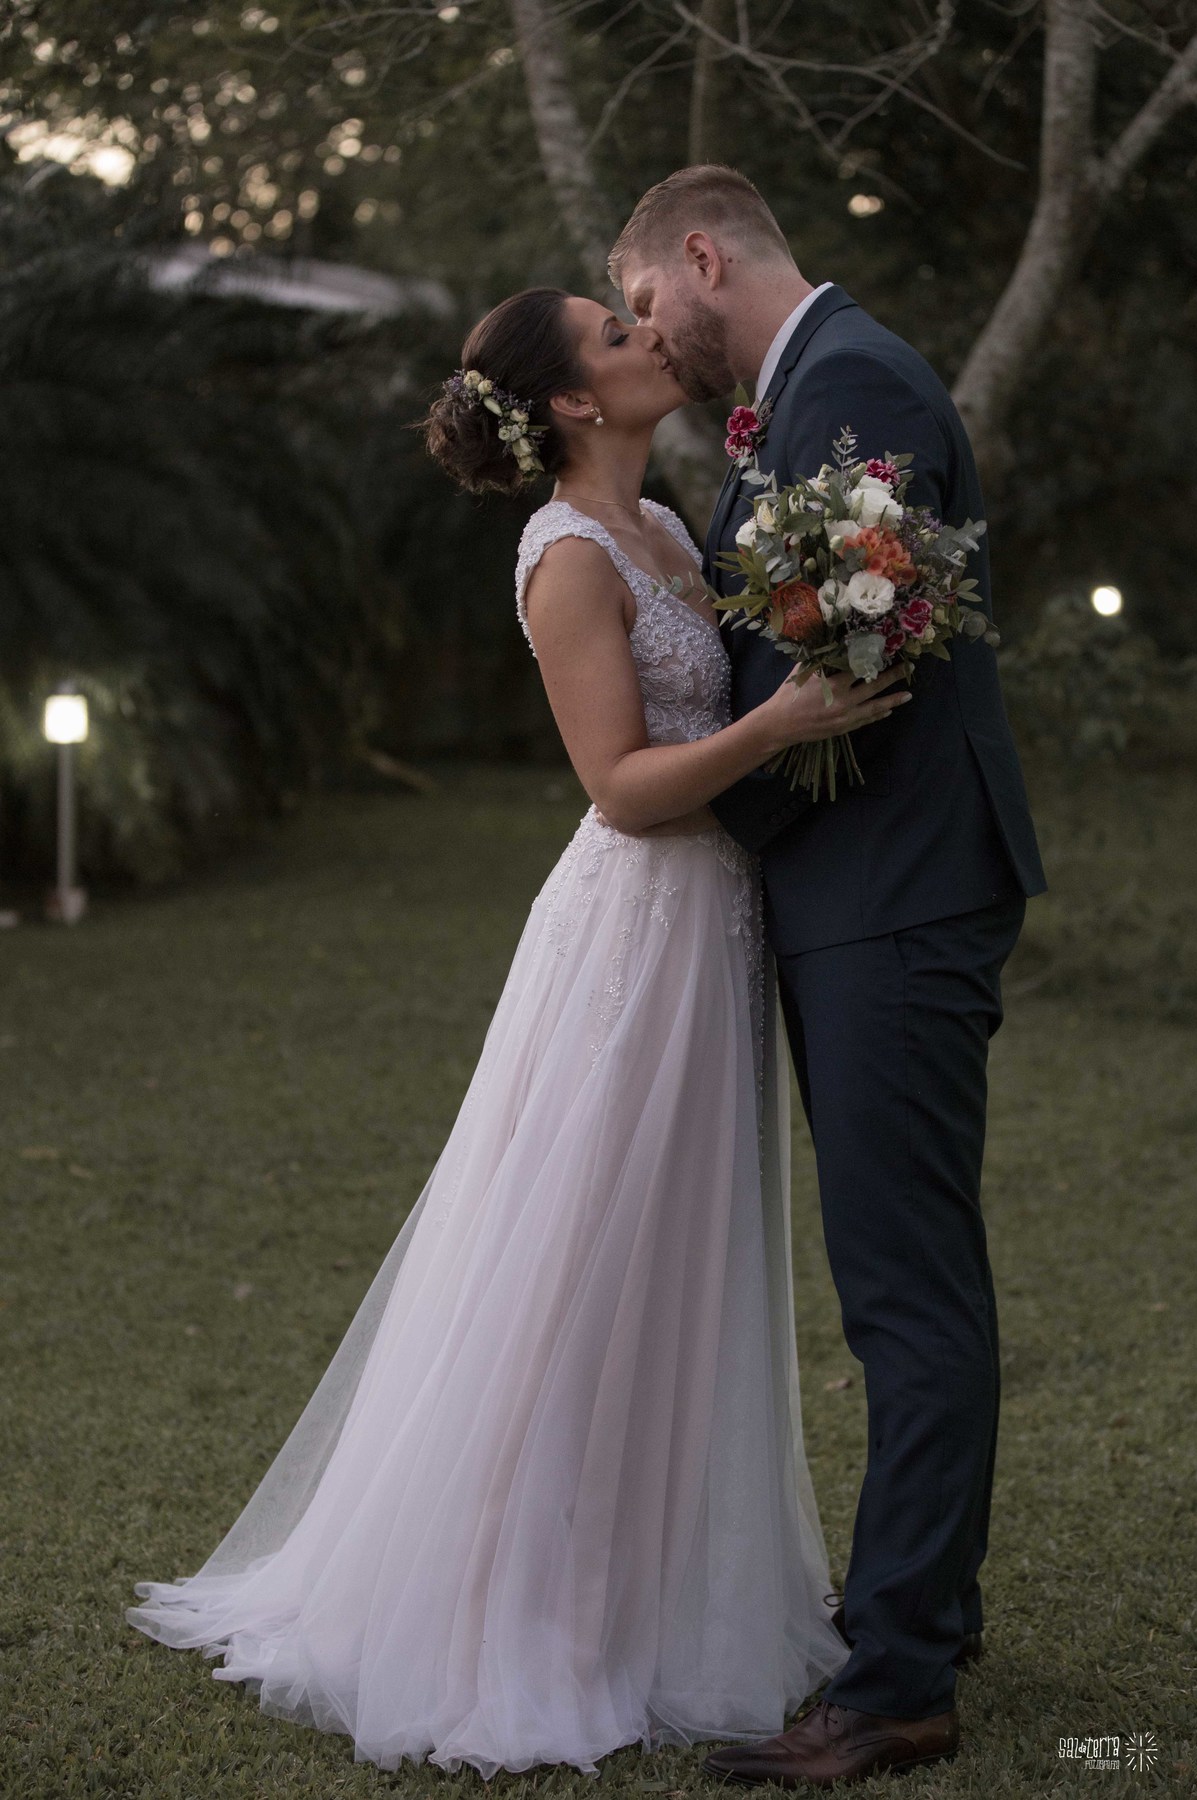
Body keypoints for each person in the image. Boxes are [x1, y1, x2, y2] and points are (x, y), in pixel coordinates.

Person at [124, 284, 911, 1780]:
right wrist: (781, 727)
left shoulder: (676, 528)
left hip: (716, 934)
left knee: (673, 1257)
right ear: (566, 402)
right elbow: (617, 781)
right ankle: (518, 1610)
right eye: (615, 336)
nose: (642, 339)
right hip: (634, 933)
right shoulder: (563, 556)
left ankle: (648, 1588)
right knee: (573, 1259)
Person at [609, 164, 1047, 1786]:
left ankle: (899, 1684)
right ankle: (925, 1598)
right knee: (905, 1266)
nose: (657, 335)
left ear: (704, 258)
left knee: (904, 1284)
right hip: (860, 886)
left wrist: (692, 776)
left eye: (650, 301)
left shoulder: (850, 382)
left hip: (899, 893)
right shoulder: (814, 386)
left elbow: (860, 641)